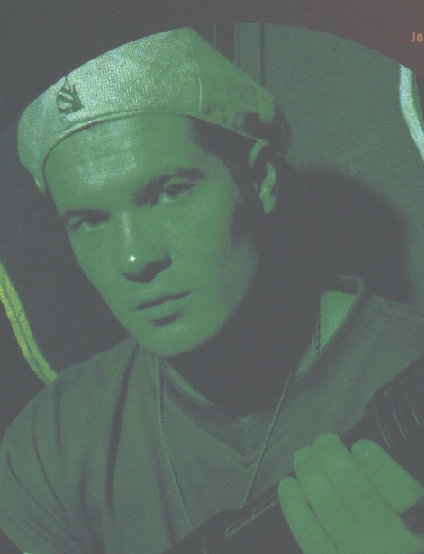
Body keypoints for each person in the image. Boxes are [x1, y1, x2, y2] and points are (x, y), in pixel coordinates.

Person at [0, 27, 423, 554]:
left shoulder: (408, 374)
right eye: (89, 221)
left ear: (261, 180)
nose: (133, 258)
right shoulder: (55, 441)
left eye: (169, 193)